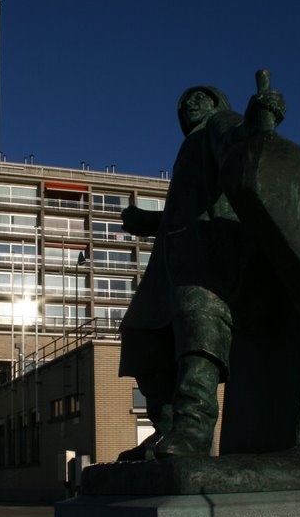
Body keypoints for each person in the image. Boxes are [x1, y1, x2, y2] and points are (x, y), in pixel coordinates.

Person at [118, 79, 286, 460]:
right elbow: (182, 210)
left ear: (217, 104)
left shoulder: (216, 125)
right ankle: (166, 429)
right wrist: (145, 221)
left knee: (199, 325)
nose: (193, 102)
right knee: (141, 335)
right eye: (186, 101)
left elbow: (238, 140)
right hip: (168, 260)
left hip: (207, 252)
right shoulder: (188, 147)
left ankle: (194, 428)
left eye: (201, 97)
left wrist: (257, 120)